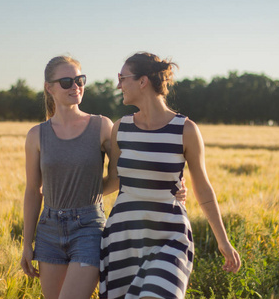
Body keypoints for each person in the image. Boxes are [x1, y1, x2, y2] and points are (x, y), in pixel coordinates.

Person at [20, 55, 187, 299]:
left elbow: (126, 170)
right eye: (66, 82)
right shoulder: (36, 135)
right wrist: (26, 243)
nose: (75, 86)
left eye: (80, 79)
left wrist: (173, 185)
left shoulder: (102, 126)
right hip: (49, 229)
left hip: (88, 227)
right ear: (49, 87)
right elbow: (33, 191)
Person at [100, 52, 241, 299]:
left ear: (143, 81)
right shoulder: (120, 129)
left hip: (170, 237)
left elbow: (204, 189)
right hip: (124, 238)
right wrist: (66, 189)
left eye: (122, 77)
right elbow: (113, 181)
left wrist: (223, 241)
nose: (118, 84)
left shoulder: (185, 130)